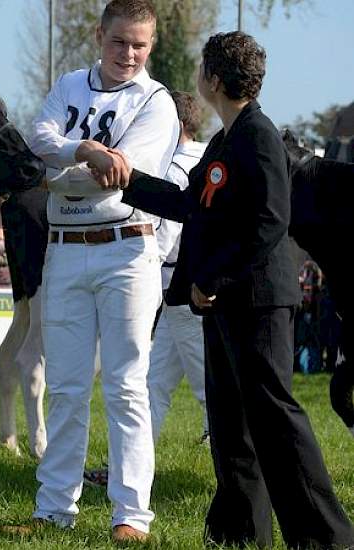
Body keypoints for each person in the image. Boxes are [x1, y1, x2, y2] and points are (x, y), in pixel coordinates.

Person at [117, 31, 354, 549]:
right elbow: (189, 203)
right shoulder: (227, 140)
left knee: (276, 421)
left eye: (202, 69)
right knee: (230, 424)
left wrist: (214, 279)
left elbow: (273, 221)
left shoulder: (260, 136)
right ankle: (238, 532)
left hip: (260, 301)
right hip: (227, 303)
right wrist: (125, 177)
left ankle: (326, 537)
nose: (198, 77)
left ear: (213, 80)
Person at [24, 0, 179, 542]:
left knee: (126, 385)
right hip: (64, 247)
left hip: (127, 250)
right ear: (99, 35)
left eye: (139, 45)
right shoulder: (69, 84)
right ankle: (53, 509)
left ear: (151, 46)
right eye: (119, 42)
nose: (129, 54)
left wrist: (60, 171)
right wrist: (85, 149)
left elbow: (121, 177)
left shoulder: (157, 102)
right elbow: (36, 143)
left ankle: (131, 515)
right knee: (65, 387)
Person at [147, 91, 209, 444]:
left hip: (177, 285)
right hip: (186, 290)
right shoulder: (205, 157)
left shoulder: (173, 167)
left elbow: (163, 238)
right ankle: (127, 465)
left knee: (206, 387)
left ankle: (234, 472)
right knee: (153, 385)